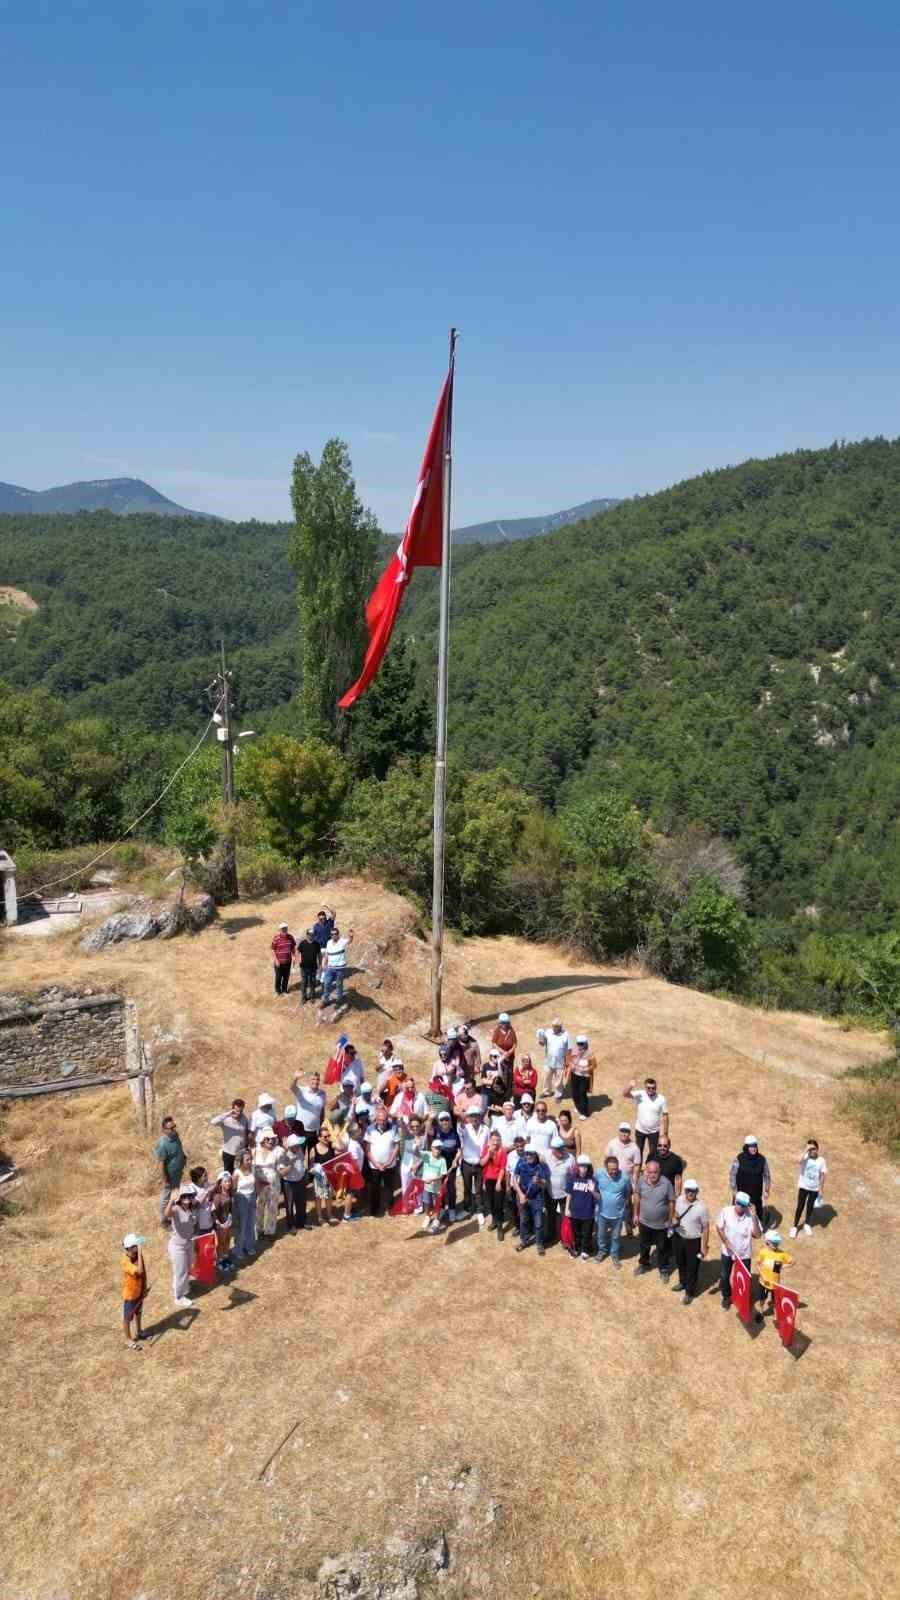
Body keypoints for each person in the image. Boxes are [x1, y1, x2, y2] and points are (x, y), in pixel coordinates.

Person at [716, 1191, 763, 1311]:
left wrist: (753, 1216)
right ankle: (727, 1297)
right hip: (727, 1252)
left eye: (743, 1204)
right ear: (735, 1201)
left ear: (748, 1205)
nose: (740, 1207)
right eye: (738, 1203)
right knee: (725, 1276)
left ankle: (741, 1298)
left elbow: (757, 1235)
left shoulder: (751, 1217)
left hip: (744, 1254)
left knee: (744, 1278)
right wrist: (726, 1242)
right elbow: (719, 1227)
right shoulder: (726, 1211)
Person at [633, 1158, 676, 1279]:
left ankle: (663, 1268)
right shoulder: (641, 1181)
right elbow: (637, 1196)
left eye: (655, 1172)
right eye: (650, 1172)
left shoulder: (666, 1184)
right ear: (646, 1171)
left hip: (661, 1225)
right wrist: (635, 1214)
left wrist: (670, 1219)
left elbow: (671, 1201)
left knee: (662, 1248)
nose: (652, 1175)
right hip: (644, 1222)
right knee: (644, 1245)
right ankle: (644, 1264)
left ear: (659, 1171)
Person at [672, 1177, 710, 1305]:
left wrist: (704, 1246)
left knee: (692, 1267)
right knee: (680, 1262)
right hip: (678, 1237)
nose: (690, 1193)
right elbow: (675, 1214)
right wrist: (674, 1219)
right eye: (688, 1190)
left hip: (693, 1241)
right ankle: (682, 1283)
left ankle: (689, 1292)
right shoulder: (679, 1200)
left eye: (693, 1191)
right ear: (685, 1190)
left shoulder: (702, 1208)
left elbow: (705, 1227)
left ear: (697, 1191)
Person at [164, 1182, 197, 1308]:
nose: (187, 1199)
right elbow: (167, 1214)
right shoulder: (176, 1209)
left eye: (189, 1196)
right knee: (181, 1271)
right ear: (180, 1198)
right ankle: (179, 1297)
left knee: (187, 1267)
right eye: (184, 1196)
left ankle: (181, 1286)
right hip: (178, 1246)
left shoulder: (191, 1208)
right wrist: (171, 1201)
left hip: (188, 1244)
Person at [594, 1154, 631, 1268]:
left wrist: (623, 1206)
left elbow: (627, 1193)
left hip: (618, 1215)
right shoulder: (599, 1174)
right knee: (601, 1234)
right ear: (606, 1168)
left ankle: (614, 1254)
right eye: (611, 1170)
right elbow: (592, 1185)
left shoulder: (624, 1178)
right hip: (602, 1213)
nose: (614, 1172)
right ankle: (602, 1251)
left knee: (615, 1236)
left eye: (616, 1169)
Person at [513, 1144, 550, 1255]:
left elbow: (545, 1184)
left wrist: (538, 1181)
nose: (528, 1156)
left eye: (531, 1154)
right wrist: (520, 1194)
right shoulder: (521, 1162)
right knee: (524, 1220)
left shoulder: (541, 1166)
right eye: (527, 1154)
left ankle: (539, 1244)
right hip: (523, 1197)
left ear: (535, 1155)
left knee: (538, 1223)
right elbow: (514, 1179)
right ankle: (524, 1241)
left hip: (537, 1199)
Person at [364, 1105, 400, 1217]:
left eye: (384, 1120)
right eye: (380, 1120)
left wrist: (389, 1161)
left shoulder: (394, 1128)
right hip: (374, 1165)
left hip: (390, 1165)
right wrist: (376, 1163)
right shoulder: (369, 1129)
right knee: (374, 1188)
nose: (382, 1122)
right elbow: (367, 1149)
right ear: (376, 1119)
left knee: (389, 1187)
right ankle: (374, 1209)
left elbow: (396, 1147)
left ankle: (390, 1208)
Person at [729, 1136, 771, 1228]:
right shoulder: (739, 1158)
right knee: (737, 1213)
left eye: (755, 1146)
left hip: (755, 1193)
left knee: (756, 1212)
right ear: (747, 1147)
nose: (754, 1149)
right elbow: (732, 1175)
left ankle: (757, 1226)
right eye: (751, 1146)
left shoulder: (762, 1160)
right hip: (741, 1192)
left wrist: (766, 1190)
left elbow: (767, 1175)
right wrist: (735, 1192)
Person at [624, 1076, 669, 1162]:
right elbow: (625, 1094)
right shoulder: (640, 1094)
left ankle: (649, 1170)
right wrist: (630, 1086)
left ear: (656, 1088)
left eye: (653, 1088)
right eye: (649, 1088)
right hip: (640, 1130)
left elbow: (665, 1116)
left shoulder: (661, 1099)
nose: (651, 1089)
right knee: (638, 1152)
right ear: (645, 1088)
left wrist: (665, 1134)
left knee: (653, 1153)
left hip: (654, 1132)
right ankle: (638, 1170)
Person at [458, 1104, 490, 1223]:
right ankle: (467, 1208)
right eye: (472, 1116)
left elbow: (488, 1145)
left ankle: (479, 1210)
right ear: (468, 1117)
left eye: (476, 1115)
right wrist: (462, 1116)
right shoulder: (465, 1128)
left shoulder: (486, 1129)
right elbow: (460, 1127)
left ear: (480, 1117)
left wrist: (485, 1159)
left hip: (480, 1164)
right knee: (466, 1187)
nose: (474, 1118)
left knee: (478, 1189)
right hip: (466, 1163)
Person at [791, 1139, 828, 1237]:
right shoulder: (805, 1157)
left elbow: (823, 1174)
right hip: (803, 1186)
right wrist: (805, 1149)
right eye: (810, 1149)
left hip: (814, 1189)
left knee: (810, 1207)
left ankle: (807, 1224)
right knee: (800, 1206)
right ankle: (794, 1227)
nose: (812, 1151)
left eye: (814, 1148)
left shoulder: (821, 1160)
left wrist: (821, 1189)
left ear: (817, 1149)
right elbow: (798, 1161)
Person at [755, 1228, 794, 1322]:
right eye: (774, 1243)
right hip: (763, 1282)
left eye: (777, 1243)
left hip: (775, 1284)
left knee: (775, 1300)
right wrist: (762, 1275)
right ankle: (761, 1311)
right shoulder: (763, 1252)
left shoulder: (782, 1254)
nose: (776, 1245)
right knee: (762, 1299)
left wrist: (782, 1267)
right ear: (767, 1242)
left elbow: (792, 1262)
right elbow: (757, 1264)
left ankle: (776, 1314)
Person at [155, 1115, 186, 1226]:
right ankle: (164, 1220)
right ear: (164, 1130)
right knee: (166, 1196)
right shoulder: (162, 1144)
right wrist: (165, 1179)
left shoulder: (175, 1136)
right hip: (170, 1176)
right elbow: (161, 1164)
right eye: (171, 1128)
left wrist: (183, 1157)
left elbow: (179, 1148)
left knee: (175, 1193)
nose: (174, 1130)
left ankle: (172, 1213)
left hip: (178, 1172)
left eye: (174, 1127)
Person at [565, 1155, 598, 1259]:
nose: (583, 1168)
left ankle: (585, 1249)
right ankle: (577, 1248)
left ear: (588, 1167)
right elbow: (569, 1194)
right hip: (574, 1212)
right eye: (581, 1166)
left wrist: (593, 1191)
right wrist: (566, 1208)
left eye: (585, 1166)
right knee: (576, 1233)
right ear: (577, 1167)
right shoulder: (572, 1179)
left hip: (588, 1213)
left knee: (587, 1233)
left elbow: (598, 1197)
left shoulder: (592, 1180)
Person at [431, 1108, 461, 1222]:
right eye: (442, 1120)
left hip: (451, 1166)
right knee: (440, 1188)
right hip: (439, 1166)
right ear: (439, 1122)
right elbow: (428, 1129)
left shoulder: (455, 1133)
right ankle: (442, 1208)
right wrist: (430, 1118)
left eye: (447, 1119)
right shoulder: (436, 1132)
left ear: (450, 1121)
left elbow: (459, 1149)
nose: (445, 1122)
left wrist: (456, 1159)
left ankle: (452, 1209)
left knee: (451, 1188)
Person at [546, 1135, 576, 1243]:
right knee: (551, 1215)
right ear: (552, 1149)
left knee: (565, 1217)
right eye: (557, 1149)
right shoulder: (546, 1157)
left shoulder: (570, 1159)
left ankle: (565, 1238)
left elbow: (574, 1176)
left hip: (565, 1194)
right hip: (550, 1193)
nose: (560, 1151)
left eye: (561, 1148)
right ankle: (551, 1234)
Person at [121, 1232, 149, 1348]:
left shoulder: (138, 1256)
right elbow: (139, 1271)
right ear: (130, 1248)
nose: (138, 1247)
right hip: (130, 1295)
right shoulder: (125, 1261)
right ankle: (129, 1340)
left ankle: (139, 1331)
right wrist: (140, 1254)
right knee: (127, 1318)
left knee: (139, 1313)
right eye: (136, 1246)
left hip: (140, 1292)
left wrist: (144, 1288)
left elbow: (144, 1274)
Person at [233, 1148, 262, 1258]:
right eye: (247, 1160)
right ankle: (239, 1249)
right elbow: (233, 1189)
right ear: (241, 1161)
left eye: (250, 1159)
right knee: (242, 1225)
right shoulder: (237, 1173)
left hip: (252, 1197)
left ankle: (249, 1246)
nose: (250, 1162)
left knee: (251, 1223)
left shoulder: (253, 1169)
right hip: (241, 1199)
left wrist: (257, 1196)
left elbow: (256, 1184)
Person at [309, 1125, 340, 1225]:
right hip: (319, 1178)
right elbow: (310, 1167)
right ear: (319, 1138)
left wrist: (337, 1137)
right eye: (325, 1137)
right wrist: (315, 1169)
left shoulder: (332, 1145)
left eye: (328, 1136)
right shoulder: (313, 1149)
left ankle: (329, 1214)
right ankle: (320, 1217)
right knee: (318, 1197)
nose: (327, 1138)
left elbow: (341, 1149)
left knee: (329, 1197)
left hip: (330, 1177)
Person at [480, 1129, 508, 1239]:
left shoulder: (503, 1151)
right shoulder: (486, 1149)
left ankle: (500, 1227)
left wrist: (499, 1182)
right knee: (490, 1203)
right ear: (490, 1140)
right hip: (488, 1180)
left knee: (499, 1204)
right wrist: (489, 1153)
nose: (495, 1142)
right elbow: (482, 1163)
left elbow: (502, 1168)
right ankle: (494, 1221)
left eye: (497, 1140)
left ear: (500, 1140)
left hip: (499, 1180)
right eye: (493, 1140)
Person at [277, 1133, 308, 1233]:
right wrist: (290, 1163)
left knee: (302, 1202)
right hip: (289, 1183)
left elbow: (302, 1162)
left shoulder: (299, 1150)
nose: (299, 1146)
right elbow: (281, 1173)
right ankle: (291, 1226)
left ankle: (302, 1221)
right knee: (289, 1205)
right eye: (297, 1145)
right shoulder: (284, 1155)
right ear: (291, 1146)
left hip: (301, 1180)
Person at [254, 1130, 283, 1237]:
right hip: (259, 1184)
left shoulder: (277, 1151)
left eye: (272, 1138)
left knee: (272, 1207)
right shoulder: (255, 1151)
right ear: (262, 1140)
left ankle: (270, 1231)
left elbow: (281, 1166)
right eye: (268, 1139)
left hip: (273, 1184)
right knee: (258, 1206)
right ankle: (258, 1230)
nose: (271, 1141)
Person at [209, 1099, 249, 1174]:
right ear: (233, 1109)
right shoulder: (226, 1119)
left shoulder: (244, 1119)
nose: (239, 1113)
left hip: (240, 1153)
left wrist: (246, 1147)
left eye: (241, 1111)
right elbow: (213, 1122)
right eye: (237, 1110)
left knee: (240, 1173)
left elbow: (246, 1133)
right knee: (228, 1175)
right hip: (228, 1153)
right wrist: (228, 1113)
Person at [289, 1071, 327, 1149]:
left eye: (317, 1079)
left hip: (314, 1131)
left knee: (313, 1155)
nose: (315, 1082)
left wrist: (320, 1126)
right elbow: (292, 1087)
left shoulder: (322, 1094)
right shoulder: (302, 1091)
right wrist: (295, 1078)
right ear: (308, 1081)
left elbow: (322, 1111)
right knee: (299, 1153)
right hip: (300, 1130)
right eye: (313, 1079)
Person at [321, 923, 354, 1007]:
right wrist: (324, 963)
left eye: (335, 934)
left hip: (340, 968)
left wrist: (351, 936)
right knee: (327, 983)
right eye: (332, 934)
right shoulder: (328, 942)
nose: (334, 935)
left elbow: (349, 941)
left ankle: (339, 1000)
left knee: (339, 984)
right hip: (330, 968)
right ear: (330, 935)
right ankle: (326, 1000)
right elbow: (327, 954)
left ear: (338, 934)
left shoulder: (342, 941)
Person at [422, 1140, 449, 1234]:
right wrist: (416, 1147)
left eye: (440, 1148)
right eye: (436, 1148)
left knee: (437, 1205)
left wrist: (432, 1179)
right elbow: (416, 1153)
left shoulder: (442, 1160)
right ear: (431, 1148)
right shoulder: (426, 1155)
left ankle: (436, 1219)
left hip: (437, 1188)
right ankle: (427, 1216)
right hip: (426, 1187)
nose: (438, 1150)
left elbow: (442, 1175)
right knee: (427, 1203)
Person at [539, 1019, 571, 1100]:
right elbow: (542, 1043)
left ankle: (558, 1094)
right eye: (553, 1026)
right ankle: (546, 1092)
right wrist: (540, 1037)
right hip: (548, 1061)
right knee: (547, 1078)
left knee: (558, 1080)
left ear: (560, 1027)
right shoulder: (548, 1032)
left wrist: (567, 1060)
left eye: (557, 1027)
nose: (554, 1028)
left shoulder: (566, 1035)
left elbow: (569, 1048)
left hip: (560, 1062)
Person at [566, 1033, 595, 1120]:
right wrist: (572, 1065)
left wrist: (586, 1069)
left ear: (586, 1043)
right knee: (575, 1093)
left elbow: (594, 1065)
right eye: (578, 1043)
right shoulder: (574, 1051)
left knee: (582, 1093)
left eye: (582, 1043)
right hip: (575, 1075)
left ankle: (584, 1112)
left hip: (585, 1077)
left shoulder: (590, 1053)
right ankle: (578, 1107)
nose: (580, 1045)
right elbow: (568, 1061)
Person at [210, 1173, 235, 1271]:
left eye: (229, 1181)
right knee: (221, 1243)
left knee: (227, 1241)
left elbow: (230, 1209)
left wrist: (230, 1218)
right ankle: (220, 1261)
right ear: (220, 1183)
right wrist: (219, 1224)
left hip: (228, 1223)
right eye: (226, 1181)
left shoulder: (229, 1193)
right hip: (220, 1225)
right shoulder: (217, 1197)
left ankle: (225, 1258)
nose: (228, 1183)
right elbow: (213, 1213)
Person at [399, 1116, 428, 1201]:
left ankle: (418, 1205)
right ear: (410, 1127)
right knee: (405, 1185)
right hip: (406, 1163)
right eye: (412, 1126)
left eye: (417, 1126)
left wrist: (417, 1165)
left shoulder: (424, 1138)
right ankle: (406, 1204)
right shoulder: (407, 1135)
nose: (415, 1128)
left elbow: (426, 1155)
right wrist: (401, 1119)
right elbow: (402, 1126)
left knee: (417, 1185)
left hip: (418, 1165)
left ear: (420, 1126)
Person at [655, 1134, 686, 1200]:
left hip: (668, 1193)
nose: (662, 1148)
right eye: (659, 1145)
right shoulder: (652, 1156)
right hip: (654, 1190)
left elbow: (678, 1179)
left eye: (665, 1146)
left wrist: (677, 1196)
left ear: (669, 1146)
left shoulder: (676, 1160)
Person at [311, 905, 336, 981]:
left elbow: (334, 913)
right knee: (320, 963)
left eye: (323, 918)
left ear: (325, 917)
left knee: (328, 963)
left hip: (328, 947)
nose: (322, 920)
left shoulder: (329, 922)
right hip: (319, 948)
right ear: (318, 918)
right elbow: (314, 937)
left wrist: (327, 907)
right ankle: (320, 976)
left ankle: (327, 977)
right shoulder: (315, 926)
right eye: (320, 918)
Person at [296, 928, 320, 1003]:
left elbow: (319, 955)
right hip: (304, 967)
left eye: (312, 934)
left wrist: (320, 963)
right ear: (307, 935)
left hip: (313, 967)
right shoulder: (302, 943)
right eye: (309, 934)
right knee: (304, 983)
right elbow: (298, 951)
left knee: (312, 982)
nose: (311, 936)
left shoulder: (316, 944)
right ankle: (303, 997)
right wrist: (298, 960)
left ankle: (312, 996)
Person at [271, 922, 296, 995]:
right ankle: (277, 991)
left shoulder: (290, 937)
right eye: (282, 929)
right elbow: (273, 950)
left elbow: (293, 947)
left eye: (285, 928)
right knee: (278, 977)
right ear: (280, 930)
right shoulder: (276, 938)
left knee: (286, 977)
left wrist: (294, 956)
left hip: (288, 961)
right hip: (279, 962)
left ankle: (284, 990)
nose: (284, 930)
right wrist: (276, 960)